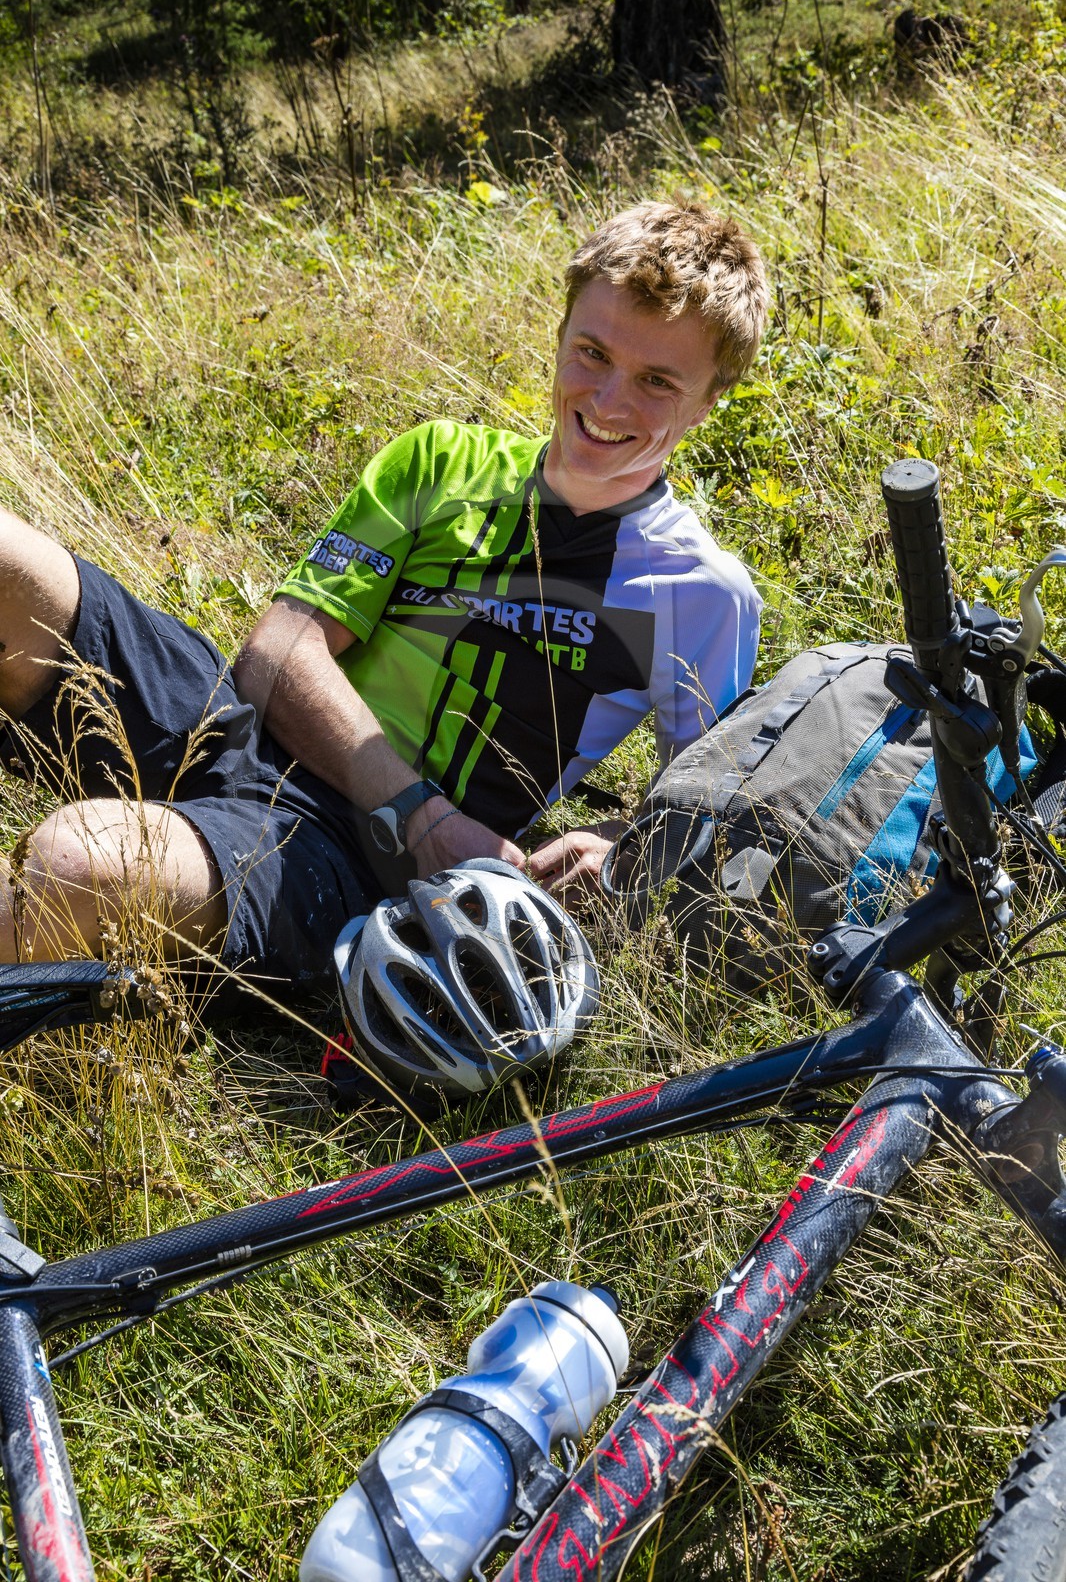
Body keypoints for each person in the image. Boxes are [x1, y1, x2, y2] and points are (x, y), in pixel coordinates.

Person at [0, 199, 768, 1005]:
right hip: (235, 724)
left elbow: (697, 823)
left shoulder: (702, 594)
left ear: (708, 401)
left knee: (79, 867)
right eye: (592, 352)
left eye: (655, 381)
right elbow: (275, 658)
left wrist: (613, 845)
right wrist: (419, 814)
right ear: (561, 333)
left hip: (346, 857)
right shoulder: (443, 459)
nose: (609, 401)